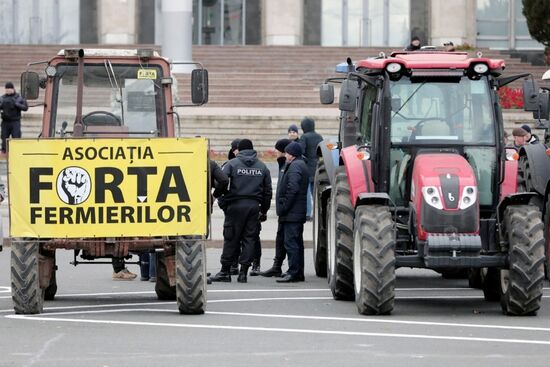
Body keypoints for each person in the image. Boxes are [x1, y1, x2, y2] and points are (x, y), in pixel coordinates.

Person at [209, 139, 272, 283]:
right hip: (253, 207)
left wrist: (219, 198)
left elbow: (222, 182)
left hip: (235, 206)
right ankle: (243, 272)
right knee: (249, 239)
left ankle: (225, 271)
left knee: (231, 238)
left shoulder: (231, 164)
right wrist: (264, 210)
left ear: (239, 150)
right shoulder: (262, 167)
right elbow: (267, 191)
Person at [276, 142, 309, 283]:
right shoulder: (299, 164)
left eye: (287, 153)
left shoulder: (295, 166)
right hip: (295, 212)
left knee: (291, 243)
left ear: (292, 154)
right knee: (296, 242)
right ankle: (297, 272)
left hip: (292, 212)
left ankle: (293, 272)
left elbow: (293, 188)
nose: (285, 155)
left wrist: (284, 206)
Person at [260, 138, 292, 277]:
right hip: (282, 210)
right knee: (280, 239)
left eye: (277, 150)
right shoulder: (282, 164)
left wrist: (284, 205)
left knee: (289, 241)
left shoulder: (290, 165)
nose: (275, 152)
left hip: (288, 210)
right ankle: (277, 266)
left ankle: (292, 269)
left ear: (284, 152)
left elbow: (291, 189)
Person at [299, 117, 323, 220]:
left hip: (307, 167)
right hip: (317, 166)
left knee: (306, 192)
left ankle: (308, 213)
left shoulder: (304, 137)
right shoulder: (319, 136)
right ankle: (319, 214)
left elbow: (301, 150)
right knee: (316, 193)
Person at [0, 82, 28, 156]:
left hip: (15, 121)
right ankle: (4, 152)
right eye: (7, 89)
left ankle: (16, 152)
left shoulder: (18, 97)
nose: (8, 91)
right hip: (5, 121)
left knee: (16, 137)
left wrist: (17, 104)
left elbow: (25, 108)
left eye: (9, 89)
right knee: (4, 137)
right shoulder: (2, 98)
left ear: (13, 89)